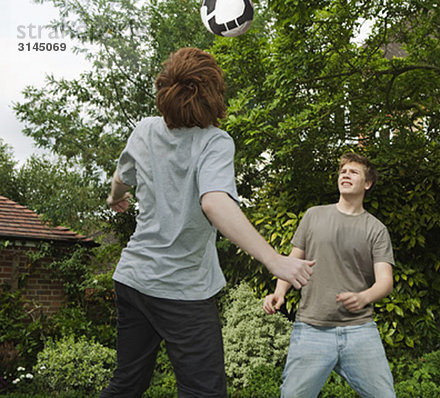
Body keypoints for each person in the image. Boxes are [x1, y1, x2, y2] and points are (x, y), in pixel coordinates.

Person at [101, 47, 314, 398]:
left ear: (164, 91)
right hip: (181, 289)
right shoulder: (214, 141)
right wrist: (275, 260)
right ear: (212, 96)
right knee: (205, 393)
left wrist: (114, 198)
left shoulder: (144, 130)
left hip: (133, 279)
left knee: (127, 383)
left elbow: (121, 178)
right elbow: (214, 202)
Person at [263, 152, 396, 398]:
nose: (345, 174)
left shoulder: (376, 229)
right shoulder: (314, 216)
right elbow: (294, 261)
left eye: (353, 172)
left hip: (359, 330)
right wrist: (279, 292)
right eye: (343, 171)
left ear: (367, 184)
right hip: (311, 329)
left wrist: (364, 297)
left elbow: (385, 281)